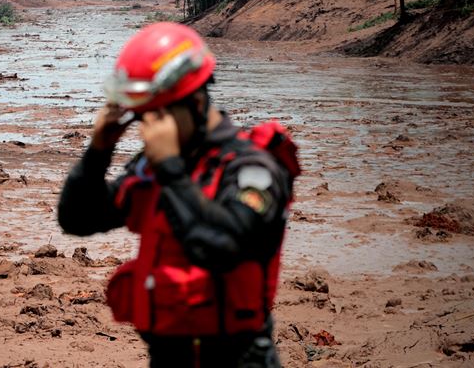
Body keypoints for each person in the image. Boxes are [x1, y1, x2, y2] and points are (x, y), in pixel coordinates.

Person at [58, 22, 300, 367]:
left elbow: (220, 246)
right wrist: (99, 150)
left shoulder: (252, 168)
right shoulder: (157, 164)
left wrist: (171, 170)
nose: (148, 129)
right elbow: (78, 219)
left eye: (157, 114)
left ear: (195, 100)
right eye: (141, 117)